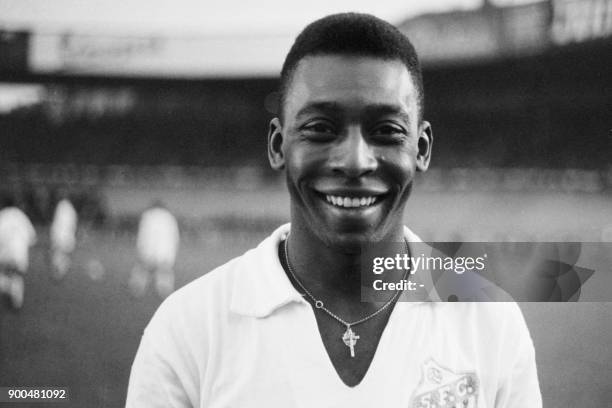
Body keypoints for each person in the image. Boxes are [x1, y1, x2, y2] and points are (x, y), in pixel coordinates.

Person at [126, 13, 541, 407]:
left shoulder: (492, 324)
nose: (356, 161)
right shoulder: (187, 330)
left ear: (422, 148)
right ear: (277, 145)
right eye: (321, 129)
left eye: (387, 131)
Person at [128, 202, 180, 298]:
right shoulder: (169, 217)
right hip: (165, 248)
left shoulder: (148, 216)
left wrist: (141, 247)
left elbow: (143, 234)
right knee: (164, 270)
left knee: (143, 268)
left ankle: (137, 289)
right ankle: (164, 291)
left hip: (150, 246)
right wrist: (172, 249)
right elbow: (174, 235)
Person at [0, 200, 37, 310]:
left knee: (5, 275)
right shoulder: (22, 216)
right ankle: (16, 300)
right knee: (17, 276)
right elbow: (32, 238)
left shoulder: (3, 215)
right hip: (20, 255)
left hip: (5, 254)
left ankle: (10, 289)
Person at [49, 197, 78, 280]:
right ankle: (60, 271)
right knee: (61, 255)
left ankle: (59, 271)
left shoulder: (64, 208)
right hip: (65, 237)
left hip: (62, 237)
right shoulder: (69, 209)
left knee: (60, 255)